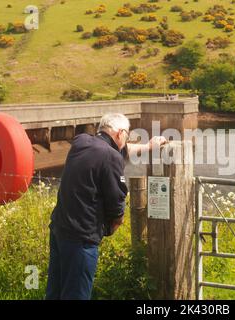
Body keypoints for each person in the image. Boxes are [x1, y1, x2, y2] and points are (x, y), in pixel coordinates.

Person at [45, 113, 166, 300]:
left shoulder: (81, 142)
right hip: (81, 238)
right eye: (127, 135)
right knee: (76, 295)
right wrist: (115, 223)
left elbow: (121, 151)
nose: (127, 140)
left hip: (60, 229)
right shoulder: (110, 156)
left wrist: (149, 146)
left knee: (55, 292)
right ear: (119, 133)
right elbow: (117, 198)